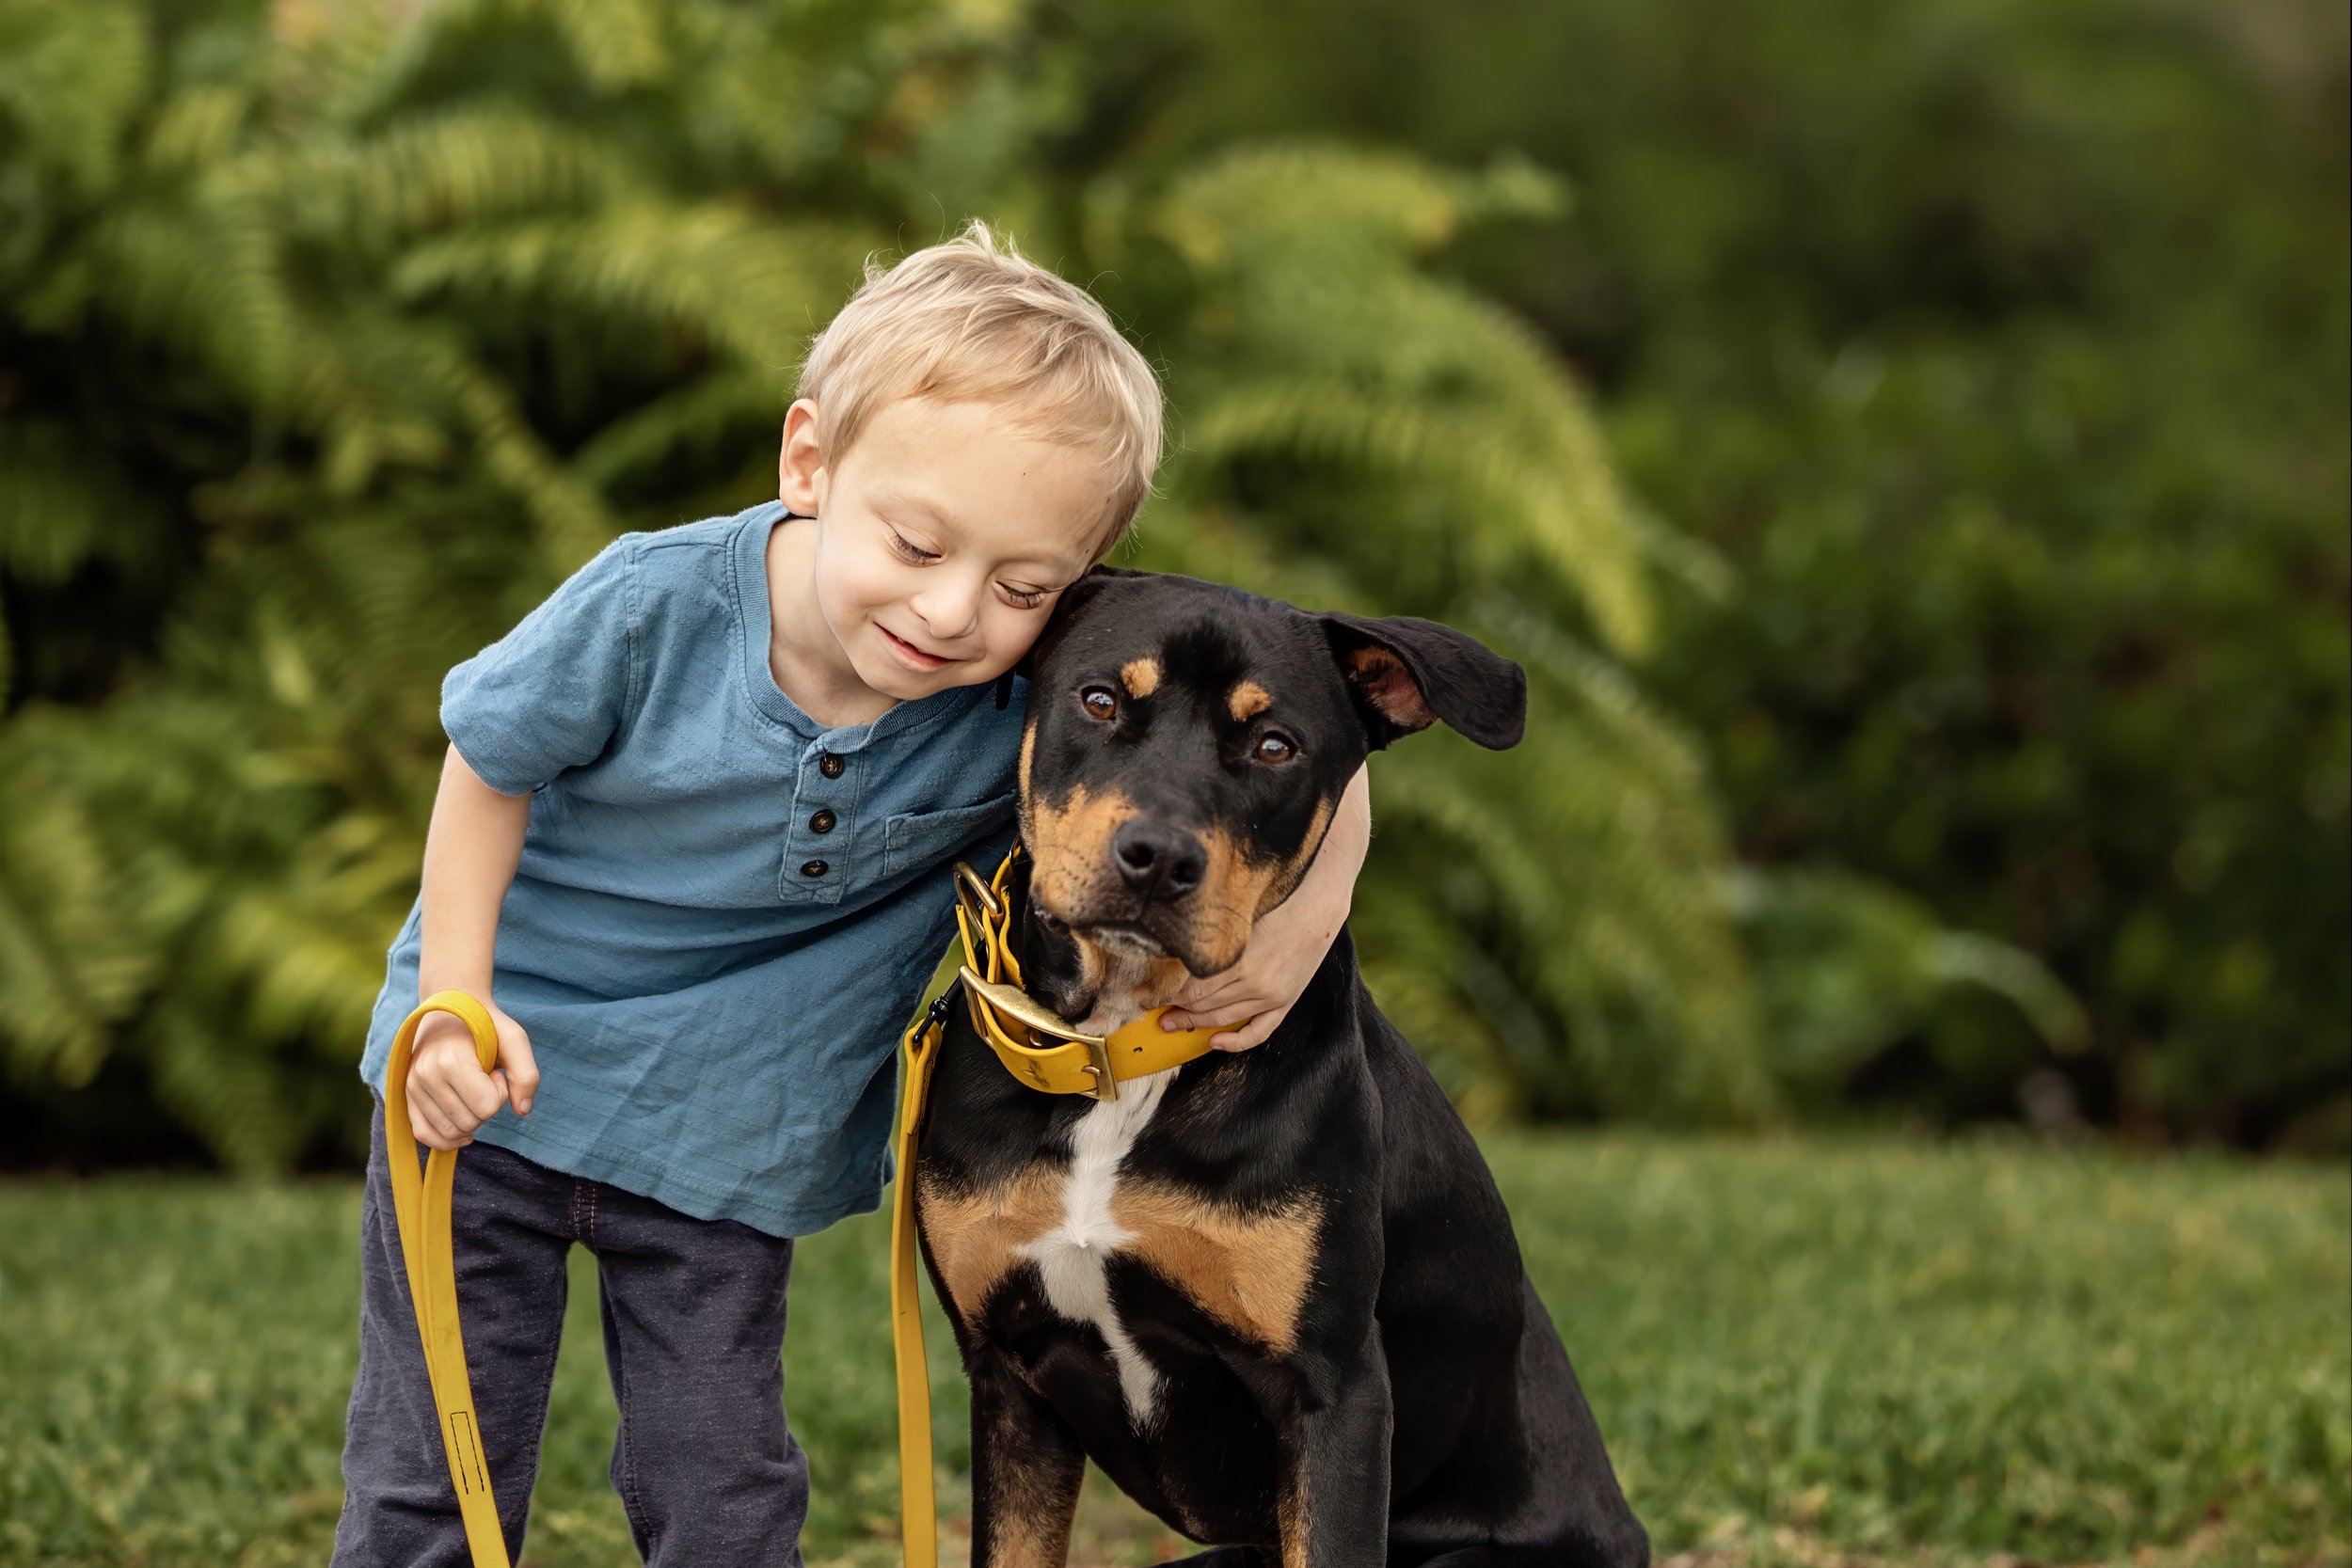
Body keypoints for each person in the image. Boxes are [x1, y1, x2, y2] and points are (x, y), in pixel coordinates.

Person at [328, 222, 1373, 1567]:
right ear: (810, 460)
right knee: (432, 1473)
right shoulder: (651, 606)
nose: (948, 613)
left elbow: (1321, 734)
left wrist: (1302, 928)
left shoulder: (1021, 698)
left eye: (1020, 586)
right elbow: (486, 767)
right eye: (917, 544)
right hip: (486, 1094)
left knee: (724, 1487)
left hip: (724, 1144)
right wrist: (455, 999)